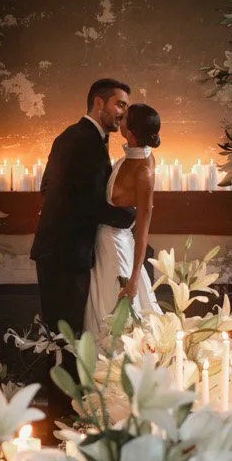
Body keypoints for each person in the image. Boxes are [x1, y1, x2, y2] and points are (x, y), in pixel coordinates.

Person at [31, 79, 136, 343]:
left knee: (64, 334)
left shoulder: (75, 136)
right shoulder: (83, 141)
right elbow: (86, 203)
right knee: (65, 336)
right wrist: (130, 216)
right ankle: (60, 384)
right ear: (99, 103)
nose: (123, 112)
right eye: (119, 104)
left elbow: (47, 187)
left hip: (61, 252)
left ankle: (62, 382)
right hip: (64, 254)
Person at [88, 103, 164, 330]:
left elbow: (143, 229)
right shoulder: (134, 153)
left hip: (115, 246)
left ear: (130, 132)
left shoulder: (144, 172)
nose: (120, 116)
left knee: (116, 318)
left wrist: (133, 280)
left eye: (124, 117)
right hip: (102, 243)